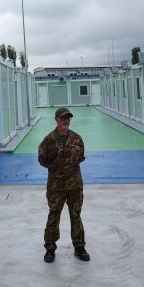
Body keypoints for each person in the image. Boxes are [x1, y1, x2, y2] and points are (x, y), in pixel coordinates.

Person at [38, 107, 90, 263]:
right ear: (56, 119)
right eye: (63, 118)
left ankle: (79, 247)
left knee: (76, 215)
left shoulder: (77, 139)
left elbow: (80, 157)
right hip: (56, 186)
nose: (66, 120)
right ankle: (50, 248)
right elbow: (42, 159)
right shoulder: (48, 141)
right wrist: (57, 170)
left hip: (75, 185)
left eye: (68, 118)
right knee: (54, 214)